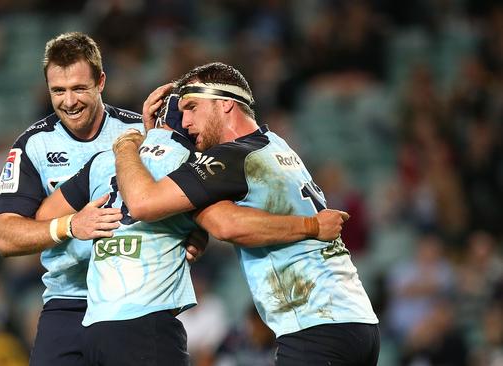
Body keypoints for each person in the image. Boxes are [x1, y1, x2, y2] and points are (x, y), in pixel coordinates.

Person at [34, 96, 352, 365]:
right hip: (147, 323)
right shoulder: (194, 161)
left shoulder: (105, 159)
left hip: (94, 324)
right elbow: (223, 223)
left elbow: (44, 216)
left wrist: (75, 226)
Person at [112, 62, 380, 366]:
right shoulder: (275, 144)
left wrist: (129, 145)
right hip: (356, 321)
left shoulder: (233, 157)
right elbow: (220, 217)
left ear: (225, 103)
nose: (184, 122)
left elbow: (143, 203)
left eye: (192, 107)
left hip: (315, 327)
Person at [0, 32, 143, 366]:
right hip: (67, 302)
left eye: (78, 88)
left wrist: (194, 236)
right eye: (58, 91)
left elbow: (182, 196)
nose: (69, 101)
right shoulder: (33, 146)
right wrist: (70, 225)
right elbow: (4, 236)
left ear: (101, 82)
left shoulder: (139, 134)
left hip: (136, 300)